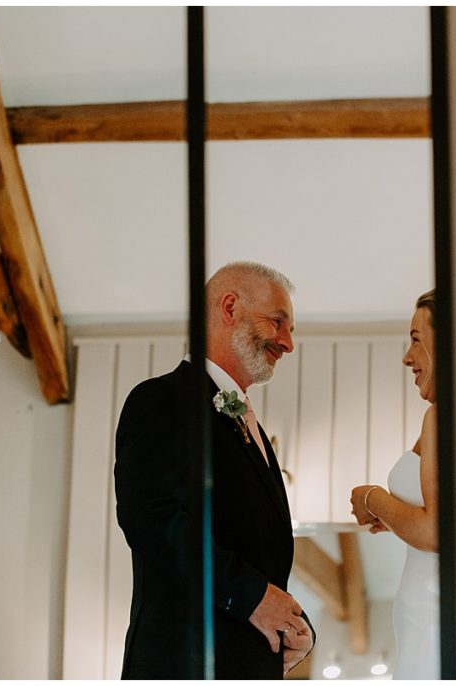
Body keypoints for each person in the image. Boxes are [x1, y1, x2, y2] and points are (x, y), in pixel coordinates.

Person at [114, 261, 315, 679]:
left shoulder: (252, 425)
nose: (288, 343)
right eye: (278, 322)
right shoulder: (162, 400)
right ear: (230, 308)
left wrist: (292, 623)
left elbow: (254, 551)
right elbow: (153, 519)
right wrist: (253, 597)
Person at [350, 289, 440, 679]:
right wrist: (397, 516)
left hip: (432, 609)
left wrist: (373, 498)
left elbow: (434, 531)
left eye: (416, 340)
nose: (407, 357)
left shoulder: (442, 416)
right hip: (428, 609)